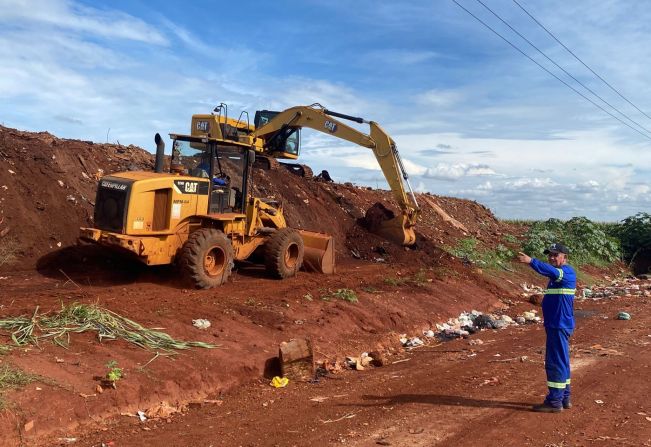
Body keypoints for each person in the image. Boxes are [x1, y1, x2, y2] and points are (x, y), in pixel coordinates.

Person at [517, 243, 576, 413]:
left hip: (558, 325)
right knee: (562, 361)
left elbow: (551, 271)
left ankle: (554, 401)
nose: (551, 258)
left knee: (555, 362)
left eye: (555, 255)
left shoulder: (565, 273)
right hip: (557, 324)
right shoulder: (557, 278)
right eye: (550, 255)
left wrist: (530, 261)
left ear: (564, 257)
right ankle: (564, 398)